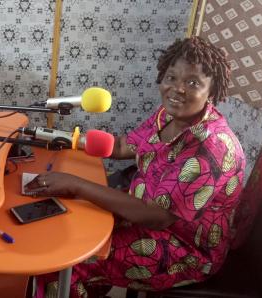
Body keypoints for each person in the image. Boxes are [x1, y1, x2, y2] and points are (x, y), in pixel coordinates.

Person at [25, 36, 246, 297]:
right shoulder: (167, 116)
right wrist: (60, 138)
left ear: (212, 91)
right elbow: (121, 146)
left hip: (185, 249)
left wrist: (76, 184)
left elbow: (156, 216)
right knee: (66, 225)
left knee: (63, 261)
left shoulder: (212, 148)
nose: (178, 88)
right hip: (141, 214)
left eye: (193, 82)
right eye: (171, 77)